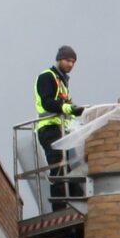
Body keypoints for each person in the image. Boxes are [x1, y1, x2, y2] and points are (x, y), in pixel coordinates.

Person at [34, 45, 81, 207]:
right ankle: (59, 209)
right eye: (68, 60)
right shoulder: (47, 77)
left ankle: (73, 204)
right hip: (50, 130)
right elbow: (48, 103)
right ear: (59, 59)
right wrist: (68, 108)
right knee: (59, 168)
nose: (71, 65)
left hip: (62, 131)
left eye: (73, 62)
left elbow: (65, 105)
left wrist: (77, 111)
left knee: (69, 168)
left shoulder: (62, 81)